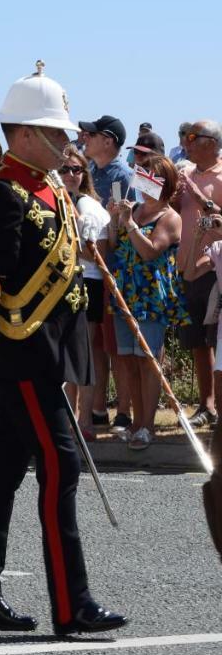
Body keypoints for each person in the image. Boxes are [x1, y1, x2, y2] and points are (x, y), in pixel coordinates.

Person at [0, 62, 126, 638]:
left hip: (52, 346)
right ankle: (70, 603)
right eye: (56, 133)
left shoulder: (51, 187)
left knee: (5, 470)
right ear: (25, 134)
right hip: (22, 351)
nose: (67, 142)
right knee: (61, 465)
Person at [107, 154, 187, 450]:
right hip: (125, 293)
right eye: (141, 174)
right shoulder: (135, 209)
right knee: (127, 362)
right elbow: (116, 248)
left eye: (151, 176)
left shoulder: (169, 217)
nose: (142, 181)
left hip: (151, 296)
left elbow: (151, 251)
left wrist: (129, 224)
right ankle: (137, 422)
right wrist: (116, 221)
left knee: (148, 362)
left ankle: (148, 426)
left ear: (164, 183)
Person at [79, 114, 134, 431]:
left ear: (108, 140)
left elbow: (129, 223)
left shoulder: (122, 176)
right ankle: (98, 407)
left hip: (116, 273)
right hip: (95, 274)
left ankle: (124, 411)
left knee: (118, 348)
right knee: (97, 346)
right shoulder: (93, 172)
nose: (85, 139)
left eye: (92, 134)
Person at [170, 120, 222, 428]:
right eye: (185, 137)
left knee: (215, 339)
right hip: (186, 268)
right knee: (196, 342)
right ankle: (207, 405)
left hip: (213, 268)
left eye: (192, 137)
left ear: (212, 142)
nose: (186, 142)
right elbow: (177, 213)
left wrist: (198, 195)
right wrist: (177, 195)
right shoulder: (186, 174)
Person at [59, 145, 110, 441]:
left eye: (75, 169)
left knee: (84, 355)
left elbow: (97, 255)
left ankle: (85, 420)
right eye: (64, 169)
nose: (69, 175)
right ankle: (71, 419)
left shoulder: (87, 207)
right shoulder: (65, 201)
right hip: (68, 281)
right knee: (70, 355)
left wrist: (67, 240)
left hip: (86, 282)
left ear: (84, 174)